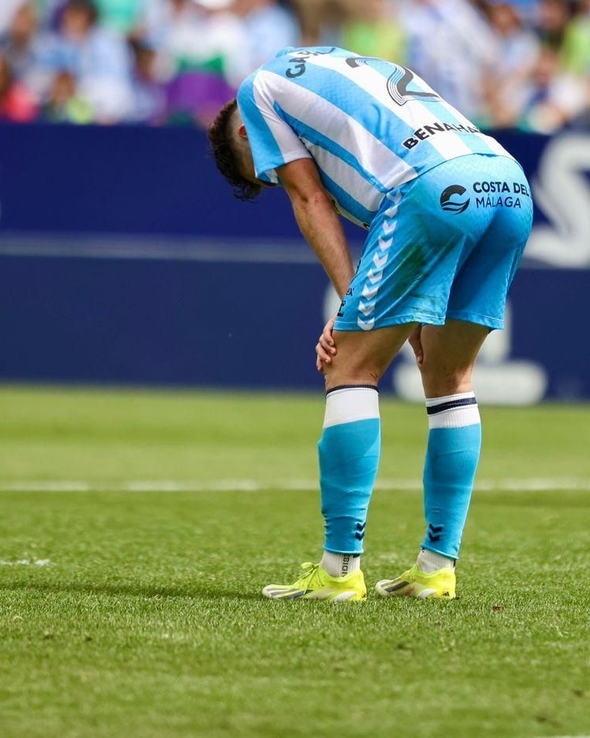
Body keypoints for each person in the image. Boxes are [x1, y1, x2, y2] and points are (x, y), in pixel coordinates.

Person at [207, 46, 534, 602]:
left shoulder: (255, 94)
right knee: (451, 379)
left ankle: (338, 572)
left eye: (262, 172)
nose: (273, 172)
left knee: (349, 366)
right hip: (507, 184)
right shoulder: (337, 64)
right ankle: (436, 568)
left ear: (242, 138)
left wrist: (348, 302)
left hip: (430, 188)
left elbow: (311, 198)